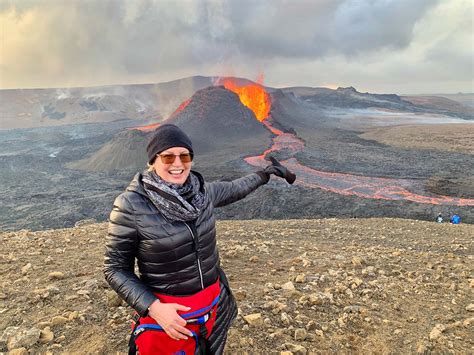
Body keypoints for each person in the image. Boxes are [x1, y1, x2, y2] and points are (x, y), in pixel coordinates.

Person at [104, 124, 294, 354]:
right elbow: (114, 268)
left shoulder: (201, 192)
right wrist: (153, 308)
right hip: (171, 314)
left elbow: (235, 188)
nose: (177, 163)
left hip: (213, 303)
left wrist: (265, 174)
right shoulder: (131, 205)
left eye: (185, 156)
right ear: (153, 161)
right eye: (167, 157)